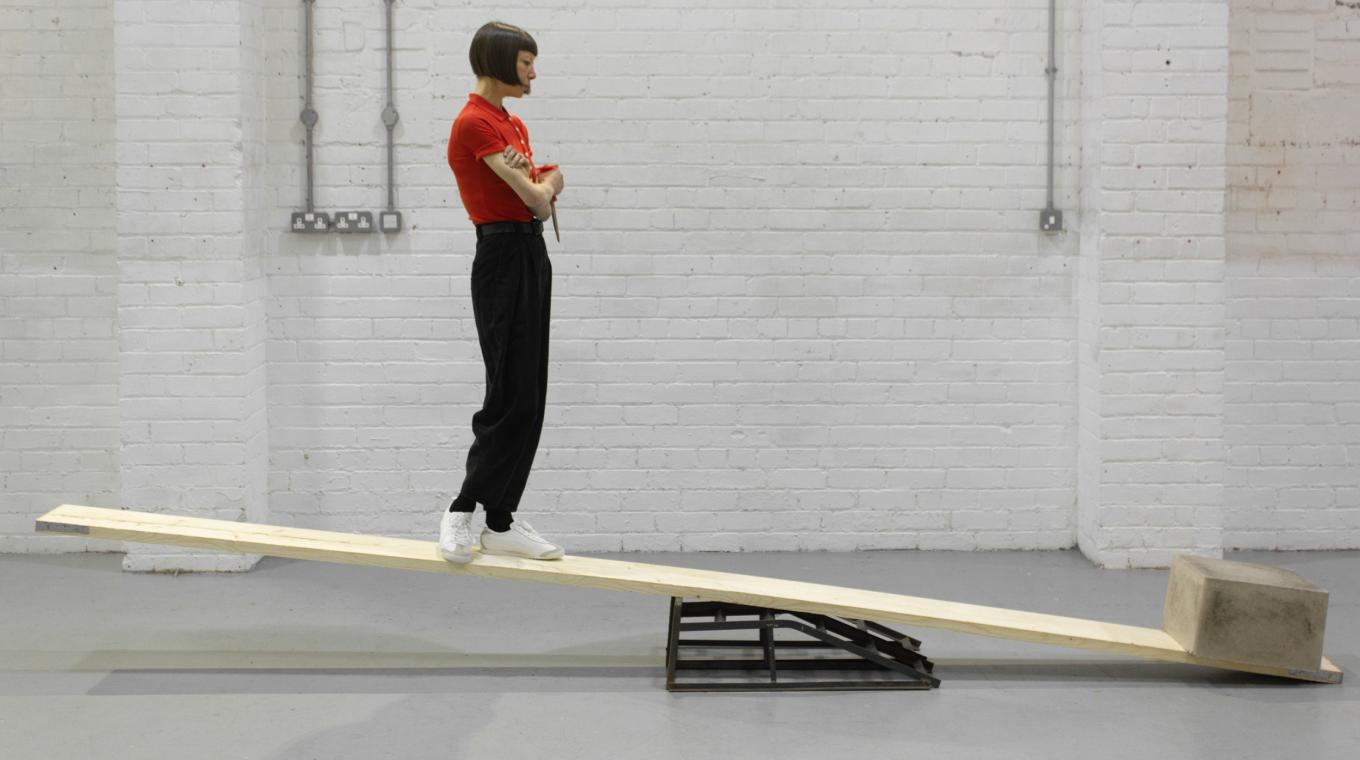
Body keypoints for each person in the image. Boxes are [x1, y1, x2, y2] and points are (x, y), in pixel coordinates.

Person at [439, 21, 566, 564]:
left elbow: (543, 182)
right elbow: (538, 196)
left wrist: (546, 181)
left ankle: (500, 520)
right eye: (525, 63)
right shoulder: (475, 124)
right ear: (497, 61)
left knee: (530, 395)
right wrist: (546, 185)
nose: (533, 73)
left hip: (531, 255)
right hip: (501, 259)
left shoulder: (510, 125)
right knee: (506, 394)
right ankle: (460, 510)